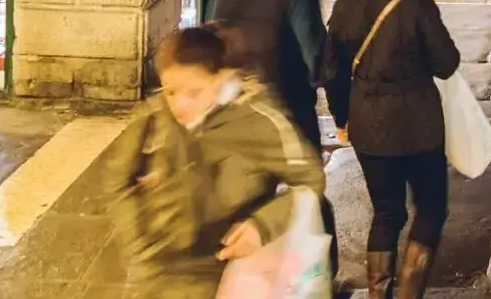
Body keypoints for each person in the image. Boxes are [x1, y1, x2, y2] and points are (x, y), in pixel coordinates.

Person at [104, 24, 325, 299]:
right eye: (170, 92)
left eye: (193, 92)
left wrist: (262, 226)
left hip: (222, 271)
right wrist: (137, 242)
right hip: (155, 272)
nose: (179, 105)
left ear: (221, 77)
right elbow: (117, 178)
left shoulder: (259, 121)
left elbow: (310, 179)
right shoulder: (154, 118)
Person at [324, 0, 464, 299]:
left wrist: (342, 117)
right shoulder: (415, 0)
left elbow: (332, 70)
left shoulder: (348, 1)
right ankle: (408, 293)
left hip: (369, 123)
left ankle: (378, 293)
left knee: (386, 212)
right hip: (419, 124)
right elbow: (447, 62)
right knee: (431, 208)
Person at [210, 0, 326, 151]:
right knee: (302, 166)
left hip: (241, 94)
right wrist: (324, 85)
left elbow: (216, 29)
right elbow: (311, 45)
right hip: (287, 96)